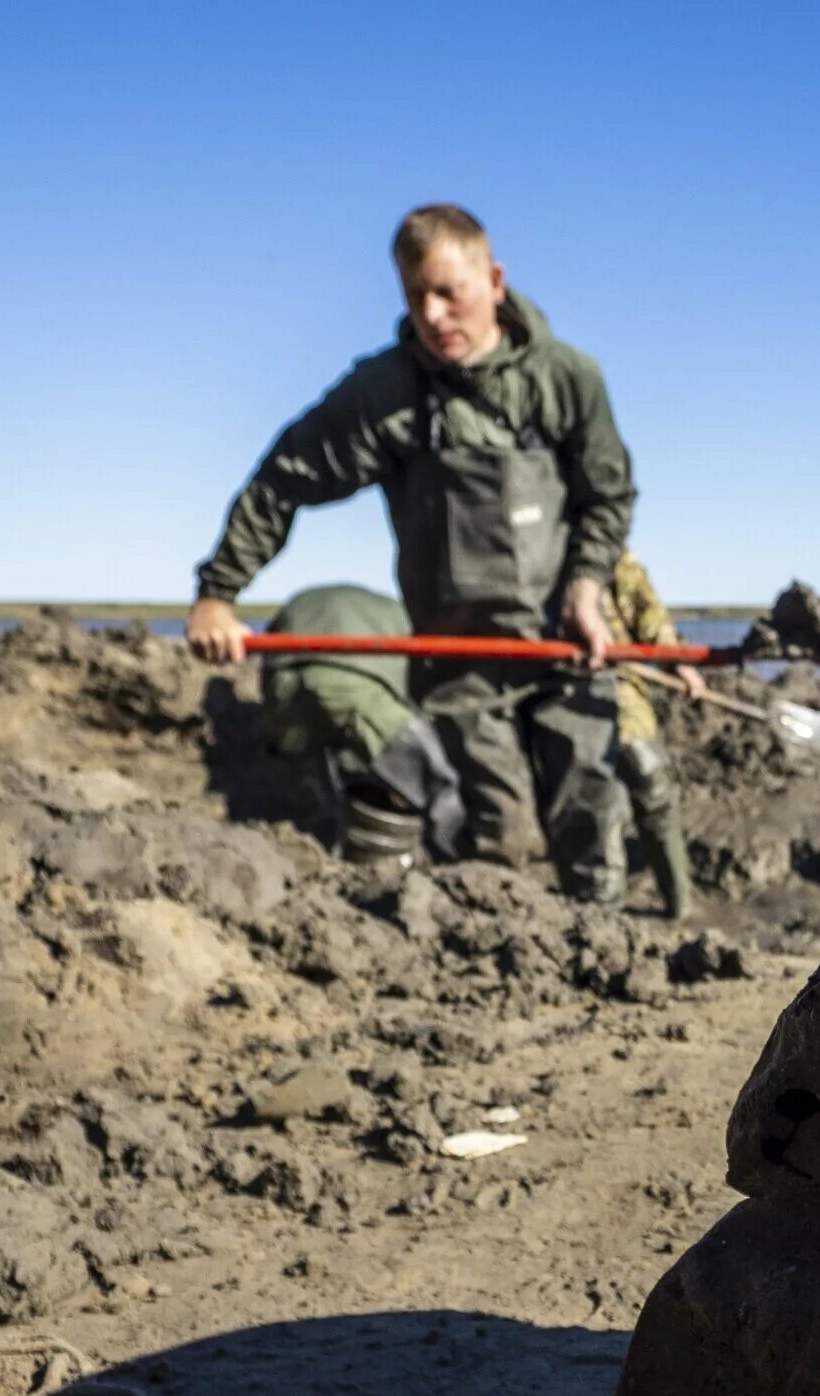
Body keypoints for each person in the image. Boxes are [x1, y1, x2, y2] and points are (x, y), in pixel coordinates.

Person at [186, 204, 640, 901]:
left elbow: (607, 498)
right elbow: (283, 480)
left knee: (590, 812)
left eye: (449, 292)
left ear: (494, 281)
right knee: (496, 832)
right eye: (413, 296)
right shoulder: (386, 394)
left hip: (563, 646)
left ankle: (607, 962)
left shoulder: (567, 379)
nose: (432, 315)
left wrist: (586, 587)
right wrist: (220, 592)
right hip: (459, 658)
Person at [256, 583, 467, 867]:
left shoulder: (306, 600)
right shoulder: (402, 613)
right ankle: (458, 864)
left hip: (285, 687)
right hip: (355, 686)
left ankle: (307, 855)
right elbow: (419, 687)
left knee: (308, 788)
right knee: (438, 782)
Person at [600, 551, 702, 919]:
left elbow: (646, 612)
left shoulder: (605, 550)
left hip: (617, 690)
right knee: (597, 806)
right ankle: (601, 917)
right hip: (560, 692)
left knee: (652, 786)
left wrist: (679, 663)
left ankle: (679, 906)